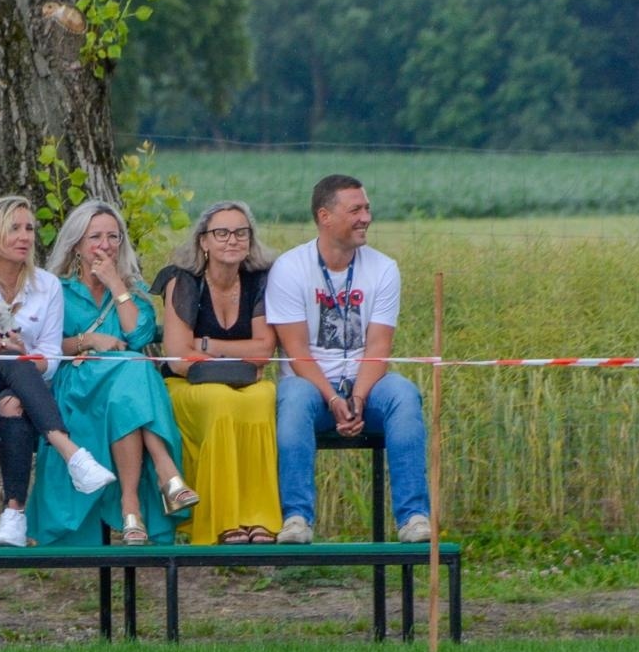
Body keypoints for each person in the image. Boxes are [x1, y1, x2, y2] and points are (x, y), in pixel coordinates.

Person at [264, 174, 431, 546]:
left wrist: (356, 398)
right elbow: (297, 352)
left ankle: (414, 516)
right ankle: (296, 518)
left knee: (404, 395)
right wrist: (335, 400)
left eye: (367, 208)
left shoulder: (384, 268)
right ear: (325, 216)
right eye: (355, 209)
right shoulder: (290, 268)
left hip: (367, 386)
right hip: (310, 385)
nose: (366, 218)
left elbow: (378, 348)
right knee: (291, 401)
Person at [29, 200, 196, 547]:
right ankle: (167, 476)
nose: (104, 245)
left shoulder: (132, 293)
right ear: (76, 244)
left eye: (112, 237)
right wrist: (88, 340)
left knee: (133, 371)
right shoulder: (55, 289)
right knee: (136, 368)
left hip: (122, 392)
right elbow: (45, 345)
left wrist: (116, 285)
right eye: (94, 237)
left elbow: (139, 336)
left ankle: (130, 506)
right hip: (76, 386)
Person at [0, 196, 118, 547]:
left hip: (22, 394)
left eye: (29, 228)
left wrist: (23, 353)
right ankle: (73, 455)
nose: (25, 236)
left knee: (14, 397)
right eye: (14, 228)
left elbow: (50, 359)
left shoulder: (46, 285)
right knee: (12, 369)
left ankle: (13, 516)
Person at [151, 200, 282, 545]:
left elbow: (263, 351)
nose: (232, 240)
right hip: (185, 386)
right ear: (203, 241)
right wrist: (235, 355)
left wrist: (206, 345)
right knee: (220, 400)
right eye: (221, 233)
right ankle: (221, 521)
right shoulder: (182, 281)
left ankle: (259, 518)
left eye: (241, 232)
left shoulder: (259, 282)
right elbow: (179, 358)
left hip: (245, 383)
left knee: (263, 396)